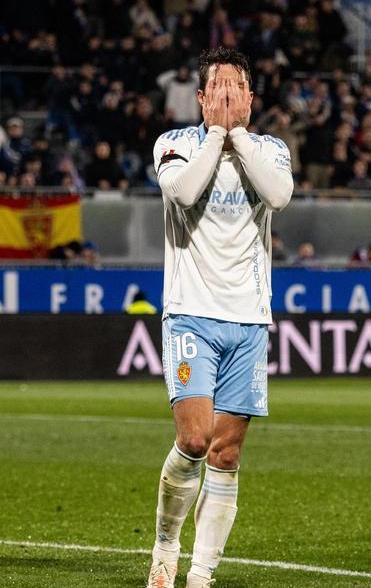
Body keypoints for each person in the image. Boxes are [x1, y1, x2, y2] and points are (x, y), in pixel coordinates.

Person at [147, 47, 293, 588]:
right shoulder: (175, 144)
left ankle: (200, 575)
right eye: (220, 88)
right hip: (190, 314)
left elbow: (278, 196)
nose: (230, 97)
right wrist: (216, 134)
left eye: (239, 89)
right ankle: (165, 546)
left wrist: (237, 138)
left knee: (226, 454)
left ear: (251, 100)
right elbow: (183, 194)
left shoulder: (271, 151)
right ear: (202, 99)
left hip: (249, 321)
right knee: (193, 439)